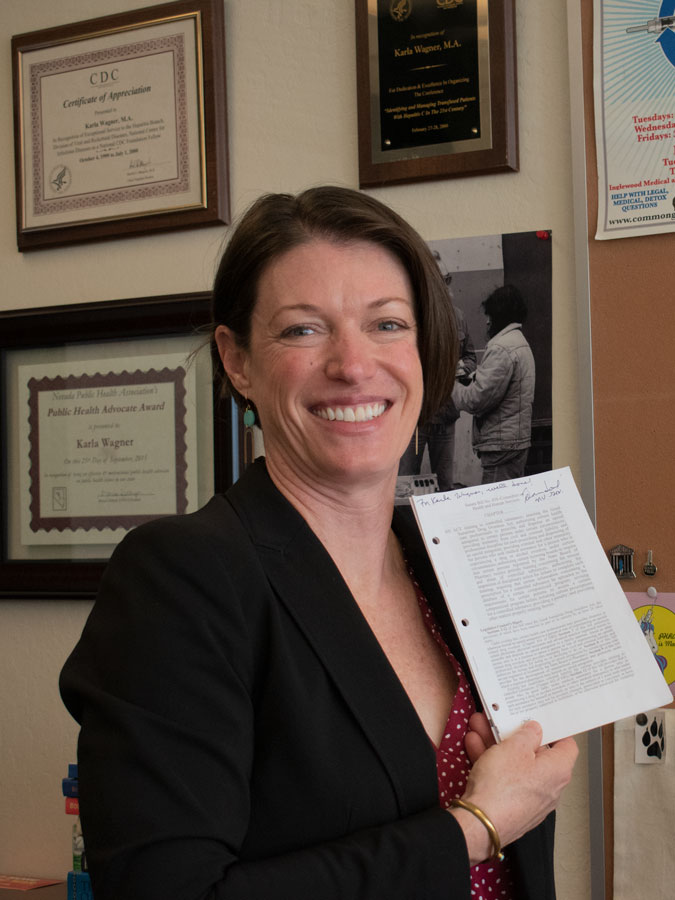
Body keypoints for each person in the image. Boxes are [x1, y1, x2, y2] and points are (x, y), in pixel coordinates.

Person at [59, 187, 577, 900]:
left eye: (387, 324)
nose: (353, 364)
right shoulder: (182, 578)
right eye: (304, 331)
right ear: (237, 359)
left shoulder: (449, 562)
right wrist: (476, 824)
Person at [398, 252, 476, 492]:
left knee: (446, 486)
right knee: (405, 486)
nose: (446, 286)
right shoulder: (407, 317)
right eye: (442, 280)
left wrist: (462, 368)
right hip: (414, 418)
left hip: (446, 415)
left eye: (448, 279)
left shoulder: (458, 317)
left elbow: (471, 357)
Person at [453, 284, 536, 483]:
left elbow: (476, 400)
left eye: (489, 315)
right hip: (513, 442)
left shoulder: (500, 347)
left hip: (501, 447)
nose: (487, 322)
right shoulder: (519, 342)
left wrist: (450, 383)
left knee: (496, 509)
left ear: (499, 315)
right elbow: (498, 386)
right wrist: (471, 378)